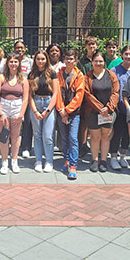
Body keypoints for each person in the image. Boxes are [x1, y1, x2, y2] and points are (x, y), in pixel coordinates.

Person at [83, 51, 120, 173]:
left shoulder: (111, 75)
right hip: (93, 112)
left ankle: (103, 160)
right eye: (96, 61)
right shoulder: (87, 77)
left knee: (105, 136)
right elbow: (88, 94)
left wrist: (108, 108)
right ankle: (94, 160)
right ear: (92, 62)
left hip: (108, 112)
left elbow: (115, 92)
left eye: (101, 61)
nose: (98, 63)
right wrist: (100, 108)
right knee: (95, 136)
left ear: (104, 62)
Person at [0, 53, 29, 174]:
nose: (13, 64)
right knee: (4, 136)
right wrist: (0, 113)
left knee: (15, 136)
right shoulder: (1, 78)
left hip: (17, 107)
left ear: (19, 63)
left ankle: (14, 161)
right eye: (11, 62)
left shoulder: (23, 79)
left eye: (15, 62)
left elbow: (25, 98)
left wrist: (21, 114)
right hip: (4, 106)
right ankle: (4, 161)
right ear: (7, 63)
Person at [29, 50, 60, 173]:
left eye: (43, 59)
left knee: (47, 136)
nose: (40, 61)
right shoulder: (32, 74)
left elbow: (55, 93)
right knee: (37, 135)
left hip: (48, 104)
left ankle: (48, 161)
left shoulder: (52, 73)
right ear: (35, 60)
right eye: (38, 59)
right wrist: (35, 111)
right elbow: (29, 95)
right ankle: (38, 160)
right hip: (36, 104)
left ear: (46, 60)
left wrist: (47, 110)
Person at [56, 49, 85, 179]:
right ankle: (67, 159)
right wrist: (62, 110)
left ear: (76, 61)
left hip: (74, 112)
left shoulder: (79, 75)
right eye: (67, 58)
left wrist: (67, 111)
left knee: (73, 138)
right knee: (64, 138)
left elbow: (79, 96)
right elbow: (57, 93)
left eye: (71, 58)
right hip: (61, 111)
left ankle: (73, 165)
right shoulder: (59, 74)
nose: (69, 61)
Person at [109, 45, 130, 171]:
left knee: (128, 134)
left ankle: (123, 155)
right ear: (122, 55)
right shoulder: (114, 70)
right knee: (117, 132)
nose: (128, 57)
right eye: (126, 54)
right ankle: (113, 156)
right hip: (118, 107)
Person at [77, 36, 98, 159]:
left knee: (96, 121)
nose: (91, 46)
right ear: (86, 46)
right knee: (84, 121)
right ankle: (83, 145)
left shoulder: (100, 58)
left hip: (98, 93)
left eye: (93, 44)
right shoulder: (81, 62)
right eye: (89, 44)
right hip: (85, 94)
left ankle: (96, 145)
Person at [14, 39, 35, 158]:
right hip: (14, 94)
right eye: (17, 48)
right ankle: (14, 145)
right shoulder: (11, 61)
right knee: (14, 121)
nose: (20, 50)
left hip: (26, 94)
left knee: (27, 121)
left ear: (25, 49)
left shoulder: (30, 62)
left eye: (22, 48)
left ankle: (26, 147)